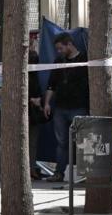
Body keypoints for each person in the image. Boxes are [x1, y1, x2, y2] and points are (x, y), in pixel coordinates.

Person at [44, 33, 89, 182]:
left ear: (69, 44)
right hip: (60, 109)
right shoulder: (58, 61)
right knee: (62, 142)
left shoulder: (85, 59)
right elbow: (51, 85)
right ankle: (59, 173)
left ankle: (86, 175)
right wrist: (47, 103)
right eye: (57, 49)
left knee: (84, 141)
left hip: (80, 107)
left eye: (60, 48)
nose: (59, 51)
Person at [28, 50, 43, 180]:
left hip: (33, 114)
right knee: (30, 144)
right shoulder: (34, 76)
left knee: (32, 143)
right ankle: (30, 169)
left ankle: (31, 169)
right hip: (29, 113)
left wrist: (38, 101)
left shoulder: (35, 77)